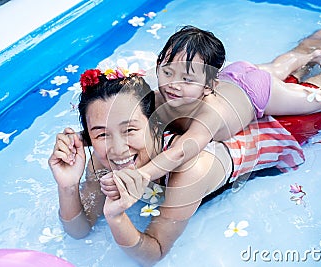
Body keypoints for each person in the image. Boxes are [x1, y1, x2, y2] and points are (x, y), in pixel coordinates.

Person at [48, 69, 305, 266]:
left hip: (280, 131)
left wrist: (117, 219)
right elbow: (79, 230)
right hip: (230, 106)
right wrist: (68, 186)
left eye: (130, 130)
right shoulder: (103, 160)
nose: (117, 149)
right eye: (102, 134)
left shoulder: (189, 170)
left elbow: (154, 253)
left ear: (155, 124)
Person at [123, 0, 321, 184]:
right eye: (168, 72)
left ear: (207, 87)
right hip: (236, 72)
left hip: (256, 89)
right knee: (282, 64)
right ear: (158, 65)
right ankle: (313, 54)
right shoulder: (160, 93)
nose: (174, 85)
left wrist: (143, 174)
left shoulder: (208, 117)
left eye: (187, 79)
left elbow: (181, 151)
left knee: (317, 98)